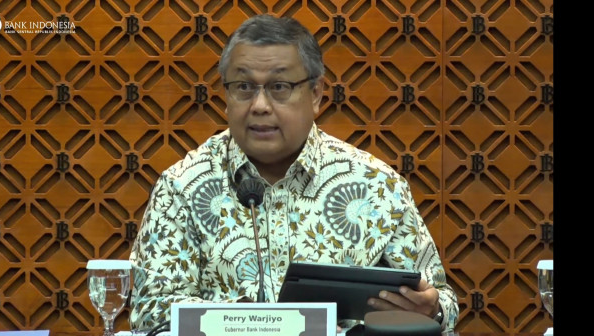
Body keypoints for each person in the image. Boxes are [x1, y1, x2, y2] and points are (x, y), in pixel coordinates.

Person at [128, 14, 458, 333]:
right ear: (225, 96)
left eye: (279, 87)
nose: (259, 105)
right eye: (243, 86)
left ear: (315, 94)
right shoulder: (183, 186)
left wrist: (432, 307)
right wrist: (241, 324)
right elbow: (149, 310)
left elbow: (442, 301)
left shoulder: (375, 185)